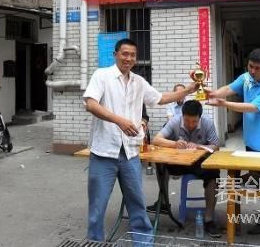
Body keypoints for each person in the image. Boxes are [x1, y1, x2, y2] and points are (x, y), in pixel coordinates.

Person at [83, 38, 198, 241]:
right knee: (97, 207)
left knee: (137, 203)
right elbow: (91, 104)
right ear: (115, 55)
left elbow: (160, 98)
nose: (128, 58)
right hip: (104, 153)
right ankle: (95, 242)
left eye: (132, 55)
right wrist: (119, 121)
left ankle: (143, 242)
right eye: (124, 54)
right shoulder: (102, 75)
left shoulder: (138, 81)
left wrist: (188, 90)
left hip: (130, 153)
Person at [206, 48, 260, 235]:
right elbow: (229, 88)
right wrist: (215, 93)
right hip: (251, 141)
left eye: (257, 68)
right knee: (259, 180)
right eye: (250, 66)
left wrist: (225, 104)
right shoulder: (247, 78)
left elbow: (251, 107)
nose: (253, 71)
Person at [151, 100, 221, 238]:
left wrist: (199, 147)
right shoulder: (175, 121)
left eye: (194, 121)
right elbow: (156, 140)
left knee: (213, 172)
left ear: (200, 117)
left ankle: (209, 219)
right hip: (178, 161)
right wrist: (174, 144)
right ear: (182, 116)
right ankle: (164, 202)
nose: (190, 124)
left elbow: (216, 146)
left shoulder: (207, 122)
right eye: (187, 121)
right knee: (161, 165)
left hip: (199, 162)